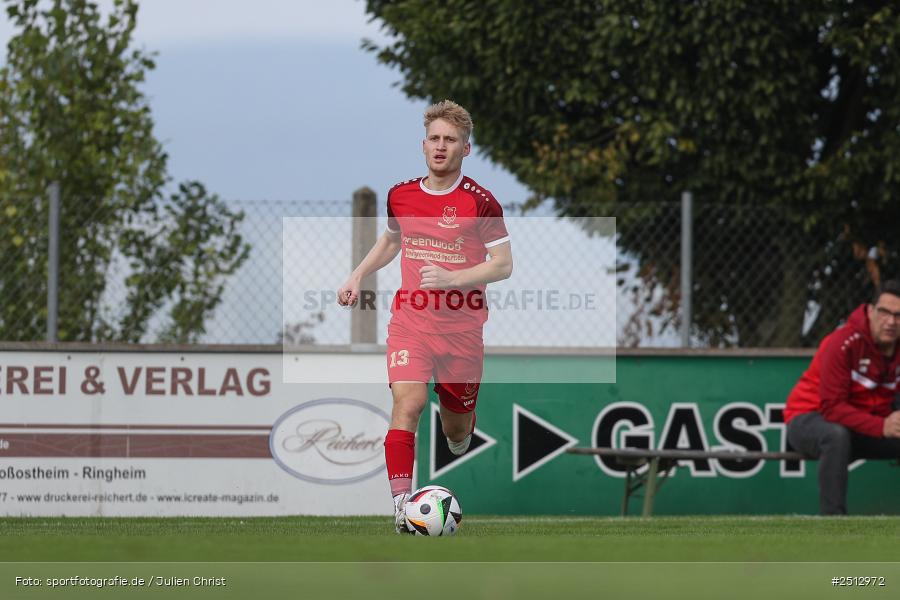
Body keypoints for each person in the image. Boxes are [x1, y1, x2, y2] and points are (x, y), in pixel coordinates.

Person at [337, 100, 512, 532]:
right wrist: (357, 274)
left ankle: (460, 427)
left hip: (463, 333)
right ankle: (402, 507)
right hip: (411, 324)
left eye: (449, 140)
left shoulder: (481, 203)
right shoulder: (402, 195)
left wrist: (454, 278)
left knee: (455, 431)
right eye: (434, 139)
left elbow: (502, 264)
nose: (440, 147)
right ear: (423, 144)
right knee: (408, 404)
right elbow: (393, 240)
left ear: (465, 149)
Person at [784, 280, 900, 515]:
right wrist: (883, 425)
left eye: (899, 315)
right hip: (808, 418)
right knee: (836, 435)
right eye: (884, 312)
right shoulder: (841, 342)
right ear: (870, 311)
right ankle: (833, 523)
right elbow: (832, 408)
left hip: (863, 425)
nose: (891, 322)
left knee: (844, 433)